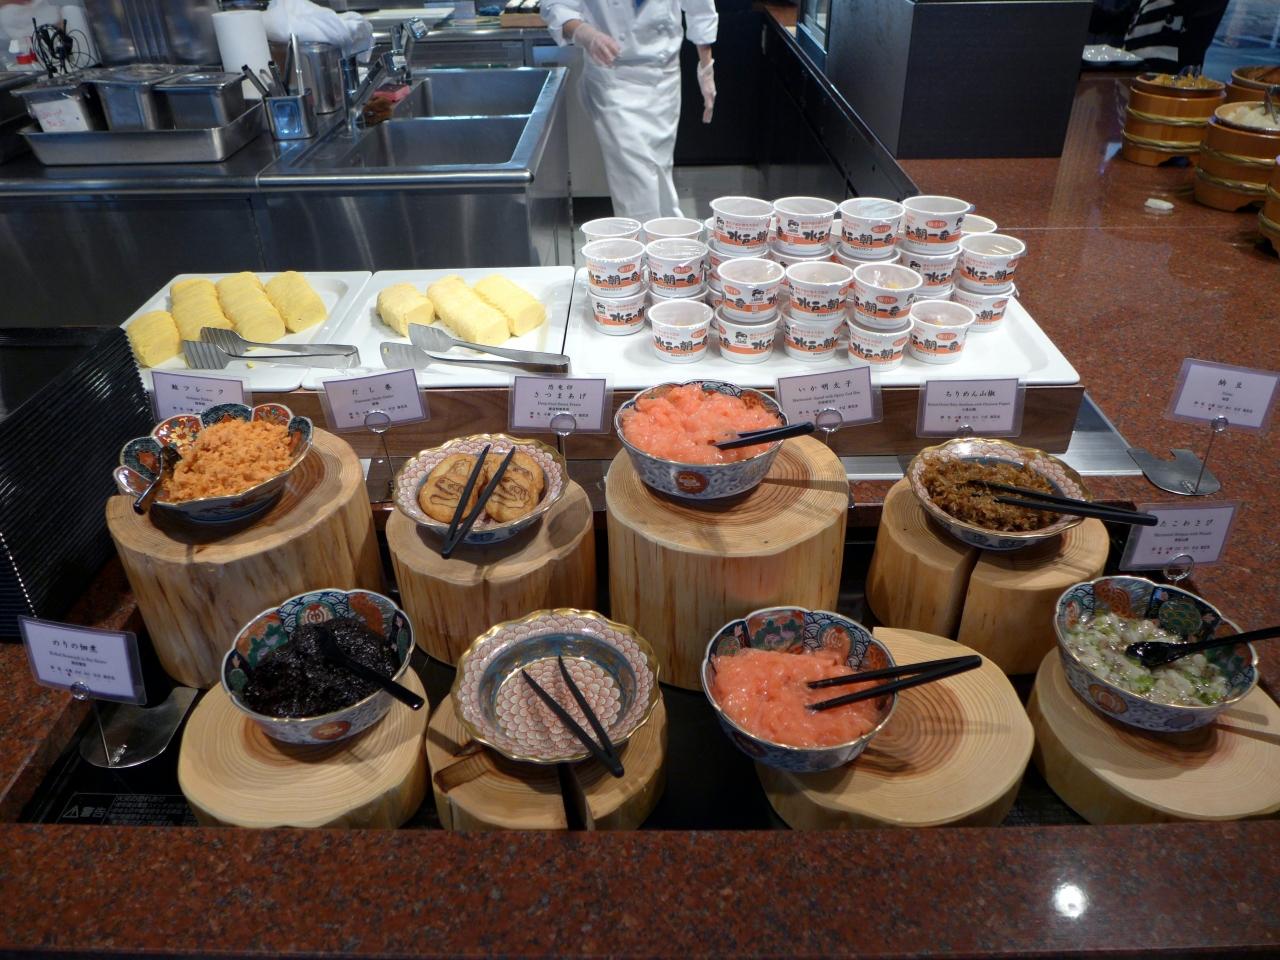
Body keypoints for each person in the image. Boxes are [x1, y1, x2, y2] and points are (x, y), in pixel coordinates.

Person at [541, 0, 717, 223]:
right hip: (613, 76)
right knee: (635, 179)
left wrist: (706, 69)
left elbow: (700, 9)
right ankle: (645, 238)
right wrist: (585, 33)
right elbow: (556, 5)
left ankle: (668, 234)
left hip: (664, 77)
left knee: (660, 169)